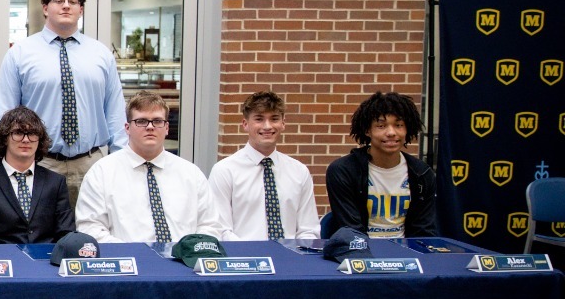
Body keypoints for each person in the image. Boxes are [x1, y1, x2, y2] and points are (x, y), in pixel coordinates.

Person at [0, 0, 127, 210]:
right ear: (46, 8)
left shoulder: (101, 54)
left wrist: (121, 161)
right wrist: (3, 164)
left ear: (81, 9)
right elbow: (5, 112)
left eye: (73, 1)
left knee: (90, 239)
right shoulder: (20, 54)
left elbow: (114, 110)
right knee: (39, 238)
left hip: (91, 164)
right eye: (59, 0)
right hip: (39, 164)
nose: (66, 6)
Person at [75, 92, 222, 244]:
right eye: (141, 121)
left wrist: (189, 251)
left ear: (166, 128)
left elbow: (210, 225)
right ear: (127, 128)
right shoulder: (101, 173)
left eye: (157, 121)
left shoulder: (191, 174)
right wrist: (134, 255)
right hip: (128, 262)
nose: (150, 127)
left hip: (183, 263)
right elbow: (90, 228)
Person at [208, 90, 322, 241]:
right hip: (243, 258)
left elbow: (308, 230)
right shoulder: (224, 171)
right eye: (259, 119)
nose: (267, 126)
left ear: (283, 123)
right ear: (245, 124)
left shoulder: (299, 171)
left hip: (290, 259)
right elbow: (220, 230)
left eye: (274, 119)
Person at [325, 90, 437, 239]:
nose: (391, 132)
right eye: (381, 126)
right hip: (360, 254)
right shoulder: (343, 171)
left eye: (399, 125)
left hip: (406, 256)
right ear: (367, 130)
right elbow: (351, 231)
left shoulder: (422, 174)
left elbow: (423, 233)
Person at [0, 106, 74, 245]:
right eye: (18, 133)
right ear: (5, 138)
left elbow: (65, 232)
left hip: (46, 261)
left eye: (32, 133)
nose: (26, 140)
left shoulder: (56, 182)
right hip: (4, 261)